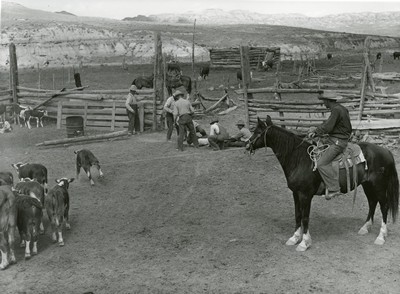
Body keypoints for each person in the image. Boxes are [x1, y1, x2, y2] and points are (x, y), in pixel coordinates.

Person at [308, 90, 352, 200]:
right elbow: (330, 125)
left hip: (338, 142)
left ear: (328, 101)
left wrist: (316, 131)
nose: (324, 103)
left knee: (322, 163)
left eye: (324, 101)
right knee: (317, 146)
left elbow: (328, 127)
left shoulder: (336, 110)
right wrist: (318, 130)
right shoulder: (340, 108)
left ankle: (334, 188)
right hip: (335, 138)